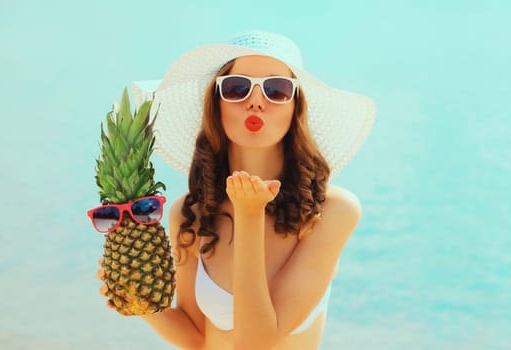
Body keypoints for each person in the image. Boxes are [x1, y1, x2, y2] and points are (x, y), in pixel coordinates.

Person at [96, 30, 376, 350]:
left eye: (276, 89)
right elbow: (198, 338)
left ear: (295, 107)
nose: (255, 101)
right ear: (216, 104)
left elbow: (256, 342)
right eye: (237, 88)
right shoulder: (189, 213)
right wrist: (141, 304)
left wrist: (249, 215)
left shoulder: (331, 211)